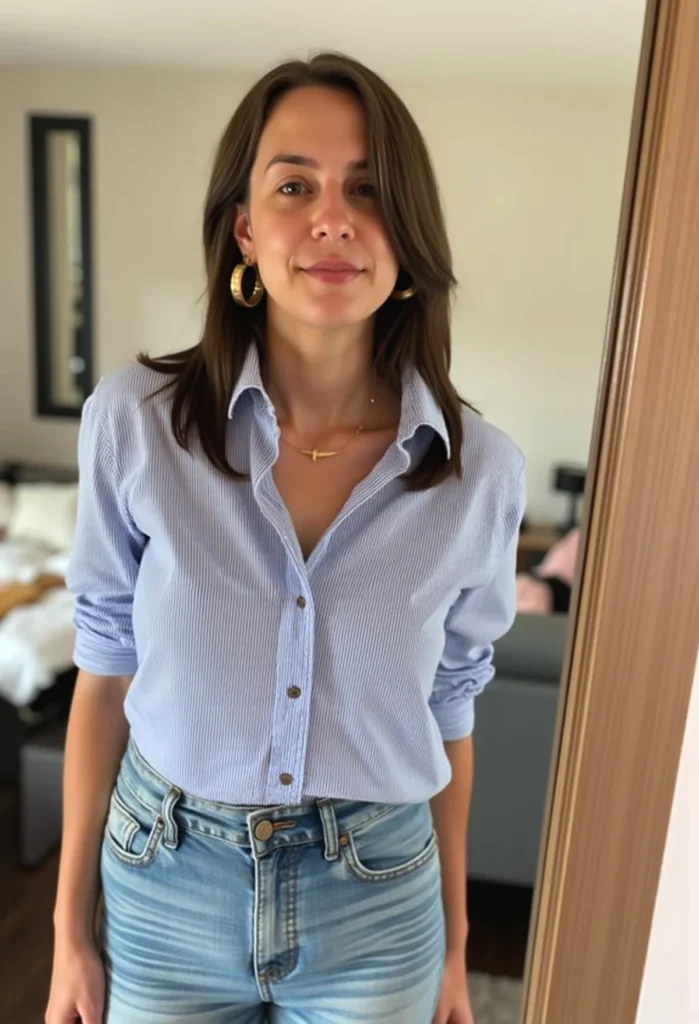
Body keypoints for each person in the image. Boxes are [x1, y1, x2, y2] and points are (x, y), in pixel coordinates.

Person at [46, 52, 525, 1024]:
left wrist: (455, 944)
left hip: (379, 897)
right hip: (164, 880)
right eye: (295, 186)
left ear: (408, 233)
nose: (332, 219)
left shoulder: (480, 472)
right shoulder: (134, 424)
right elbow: (104, 670)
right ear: (244, 228)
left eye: (367, 190)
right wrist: (67, 933)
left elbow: (451, 707)